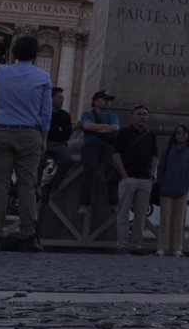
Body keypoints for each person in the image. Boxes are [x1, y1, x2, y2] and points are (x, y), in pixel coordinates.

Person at [0, 35, 52, 253]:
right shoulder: (43, 77)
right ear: (35, 54)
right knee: (27, 187)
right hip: (29, 134)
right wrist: (44, 138)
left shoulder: (3, 72)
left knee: (0, 185)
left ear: (15, 52)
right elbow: (46, 112)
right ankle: (28, 236)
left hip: (2, 131)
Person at [112, 104, 158, 251]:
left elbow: (154, 156)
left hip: (145, 179)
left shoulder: (150, 135)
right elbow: (116, 154)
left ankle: (137, 244)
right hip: (128, 178)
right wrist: (124, 175)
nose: (142, 117)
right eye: (139, 114)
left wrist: (152, 175)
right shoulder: (124, 133)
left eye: (145, 114)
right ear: (133, 116)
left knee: (141, 216)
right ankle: (122, 243)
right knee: (123, 213)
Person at [155, 124, 189, 256]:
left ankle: (177, 247)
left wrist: (187, 184)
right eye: (179, 133)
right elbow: (161, 168)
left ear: (188, 135)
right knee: (165, 219)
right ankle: (162, 247)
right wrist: (162, 183)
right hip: (167, 188)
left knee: (179, 220)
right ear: (175, 135)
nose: (181, 135)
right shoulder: (167, 150)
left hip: (181, 189)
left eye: (184, 133)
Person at [77, 90, 120, 220]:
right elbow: (86, 126)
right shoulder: (87, 114)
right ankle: (85, 202)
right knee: (89, 170)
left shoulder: (112, 115)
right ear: (95, 101)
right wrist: (104, 126)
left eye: (108, 99)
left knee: (111, 169)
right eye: (104, 99)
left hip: (107, 146)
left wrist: (96, 128)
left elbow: (115, 128)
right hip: (91, 146)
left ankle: (114, 202)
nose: (107, 102)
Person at [40, 87, 74, 202]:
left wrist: (56, 132)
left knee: (67, 160)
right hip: (43, 143)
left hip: (58, 144)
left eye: (62, 98)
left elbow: (66, 134)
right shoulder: (43, 113)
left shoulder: (65, 116)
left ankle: (50, 186)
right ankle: (35, 188)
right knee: (39, 161)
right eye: (59, 98)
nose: (62, 100)